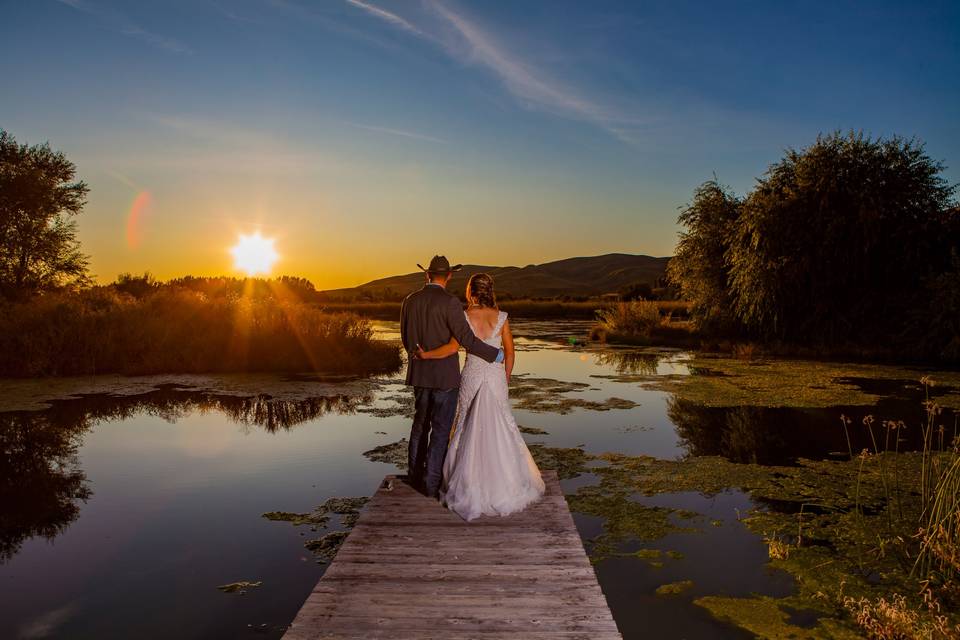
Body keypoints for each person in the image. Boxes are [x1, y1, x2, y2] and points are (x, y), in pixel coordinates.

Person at [416, 272, 545, 521]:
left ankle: (468, 483)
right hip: (495, 377)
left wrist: (426, 355)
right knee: (501, 425)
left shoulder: (463, 316)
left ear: (470, 292)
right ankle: (506, 483)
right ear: (489, 291)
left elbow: (453, 348)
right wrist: (505, 377)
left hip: (472, 375)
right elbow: (510, 352)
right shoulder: (502, 317)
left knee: (465, 425)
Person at [399, 256, 503, 498]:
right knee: (441, 430)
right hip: (445, 378)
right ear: (448, 276)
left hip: (419, 375)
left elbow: (405, 339)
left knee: (419, 427)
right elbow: (466, 340)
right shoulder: (450, 302)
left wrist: (420, 356)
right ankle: (431, 485)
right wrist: (495, 355)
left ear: (427, 275)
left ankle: (414, 478)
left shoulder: (409, 301)